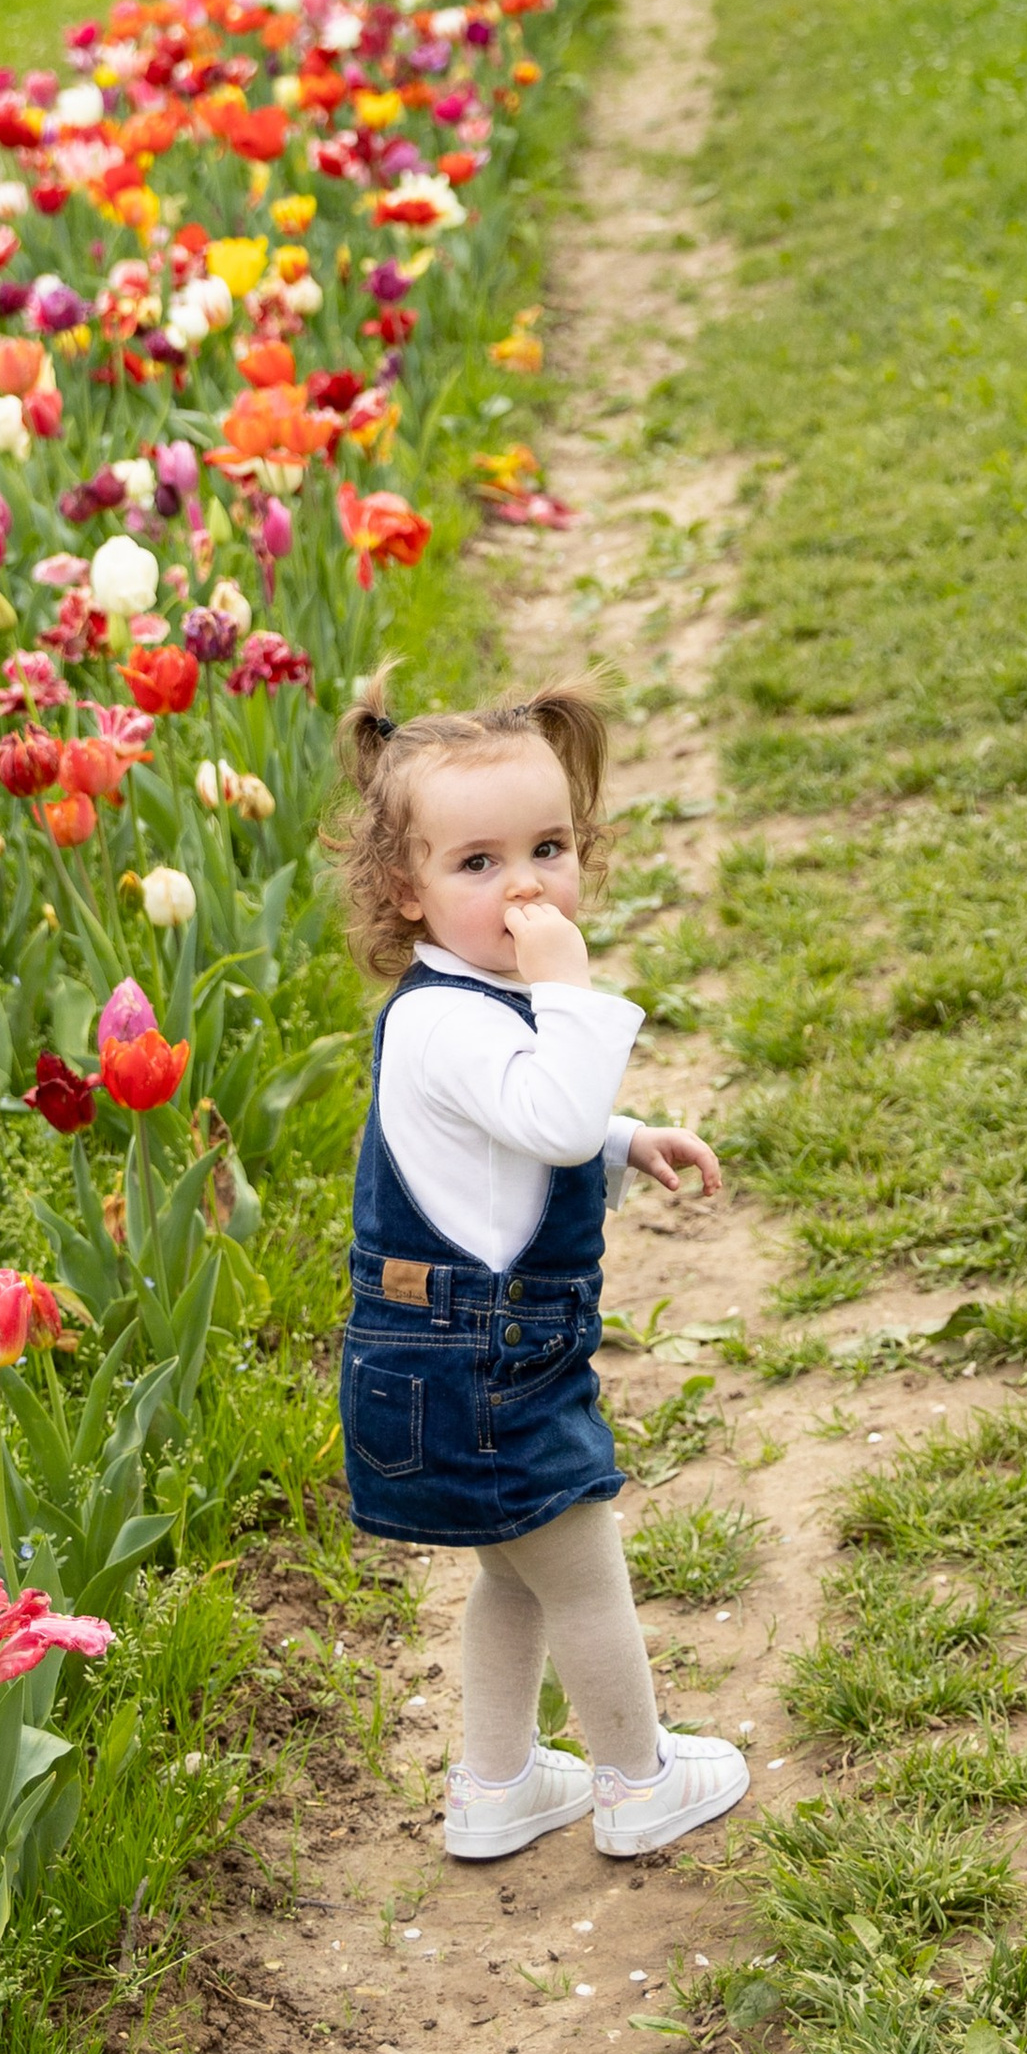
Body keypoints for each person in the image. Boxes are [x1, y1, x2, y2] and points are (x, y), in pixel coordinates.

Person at [326, 678, 750, 1860]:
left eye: (548, 848)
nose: (523, 886)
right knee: (580, 1566)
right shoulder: (454, 1018)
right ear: (403, 891)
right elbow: (551, 1118)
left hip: (453, 1354)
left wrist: (625, 1144)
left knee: (513, 1576)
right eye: (477, 863)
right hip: (482, 1359)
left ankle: (498, 1782)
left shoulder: (467, 1001)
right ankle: (635, 1776)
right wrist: (569, 987)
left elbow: (522, 1143)